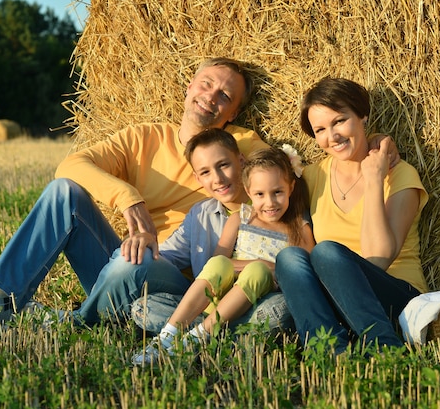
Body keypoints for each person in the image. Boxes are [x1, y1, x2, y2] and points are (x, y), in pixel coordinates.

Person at [0, 57, 270, 328]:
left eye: (224, 95)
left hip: (177, 284)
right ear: (189, 86)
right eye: (206, 84)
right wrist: (127, 198)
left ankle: (79, 319)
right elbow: (71, 165)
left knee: (132, 261)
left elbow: (282, 179)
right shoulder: (144, 137)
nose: (210, 97)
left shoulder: (242, 145)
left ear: (232, 112)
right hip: (120, 261)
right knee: (62, 192)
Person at [275, 77, 429, 355]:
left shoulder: (400, 175)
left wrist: (374, 178)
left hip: (399, 299)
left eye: (339, 121)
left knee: (327, 253)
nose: (331, 136)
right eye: (320, 129)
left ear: (362, 116)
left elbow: (380, 258)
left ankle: (386, 352)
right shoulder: (311, 177)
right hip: (340, 300)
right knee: (289, 258)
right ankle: (329, 356)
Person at [133, 146, 315, 364]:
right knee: (146, 306)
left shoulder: (299, 228)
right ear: (248, 192)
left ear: (291, 187)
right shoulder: (240, 218)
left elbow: (305, 275)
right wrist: (260, 263)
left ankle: (198, 336)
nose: (269, 203)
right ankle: (169, 336)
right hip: (217, 301)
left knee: (278, 309)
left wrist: (265, 269)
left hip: (257, 308)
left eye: (277, 192)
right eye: (259, 194)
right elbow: (219, 263)